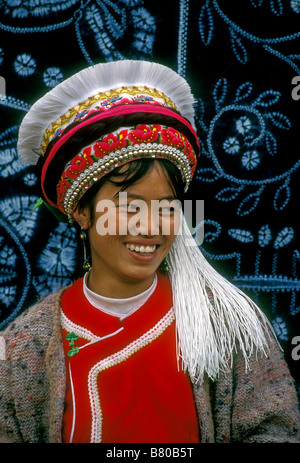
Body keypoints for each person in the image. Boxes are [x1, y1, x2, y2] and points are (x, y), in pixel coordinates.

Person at [0, 60, 299, 443]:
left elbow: (275, 431)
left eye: (166, 206)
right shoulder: (25, 348)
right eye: (129, 205)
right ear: (81, 210)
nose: (151, 226)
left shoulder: (228, 328)